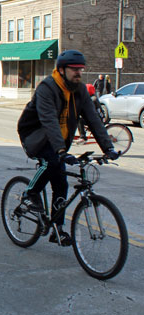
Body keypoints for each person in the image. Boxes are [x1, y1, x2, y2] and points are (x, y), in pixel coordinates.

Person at [17, 50, 120, 246]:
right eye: (74, 69)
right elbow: (49, 122)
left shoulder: (79, 90)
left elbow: (93, 119)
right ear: (62, 70)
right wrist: (61, 152)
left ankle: (57, 229)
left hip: (59, 141)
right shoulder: (47, 88)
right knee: (51, 161)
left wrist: (108, 148)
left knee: (61, 184)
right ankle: (30, 193)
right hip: (36, 137)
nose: (79, 73)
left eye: (81, 69)